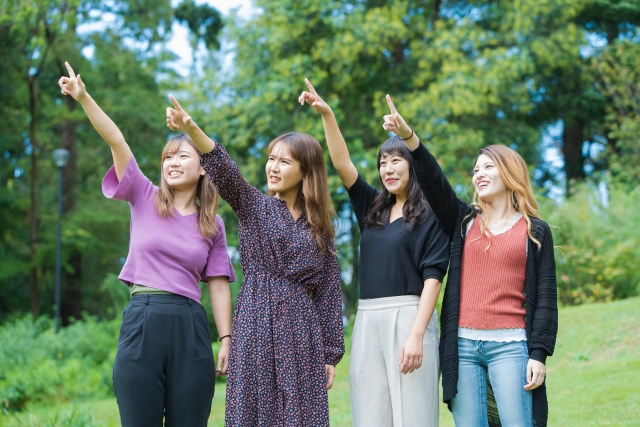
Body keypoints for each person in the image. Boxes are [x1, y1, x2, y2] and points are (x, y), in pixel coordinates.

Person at [58, 62, 235, 427]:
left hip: (190, 324)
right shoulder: (143, 195)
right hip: (144, 317)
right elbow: (117, 140)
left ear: (203, 167)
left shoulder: (212, 223)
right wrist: (84, 98)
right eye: (167, 156)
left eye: (182, 155)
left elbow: (217, 285)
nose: (172, 162)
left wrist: (227, 339)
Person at [165, 95, 345, 427]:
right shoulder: (254, 206)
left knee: (302, 415)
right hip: (256, 321)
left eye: (285, 162)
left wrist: (331, 353)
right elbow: (224, 169)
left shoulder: (320, 228)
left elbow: (329, 294)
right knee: (253, 410)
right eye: (271, 159)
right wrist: (190, 127)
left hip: (302, 330)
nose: (273, 167)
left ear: (306, 171)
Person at [381, 98, 558, 427]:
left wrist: (538, 354)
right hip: (462, 348)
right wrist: (408, 137)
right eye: (476, 170)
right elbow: (434, 182)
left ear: (509, 173)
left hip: (511, 346)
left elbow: (546, 299)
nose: (479, 174)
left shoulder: (535, 231)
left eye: (488, 167)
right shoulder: (463, 223)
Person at [299, 80, 450, 427]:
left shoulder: (430, 215)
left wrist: (416, 333)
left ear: (413, 167)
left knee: (414, 417)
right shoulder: (372, 208)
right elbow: (342, 163)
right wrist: (327, 115)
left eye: (397, 161)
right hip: (367, 319)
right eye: (383, 162)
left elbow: (433, 278)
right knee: (369, 416)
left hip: (410, 317)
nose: (388, 169)